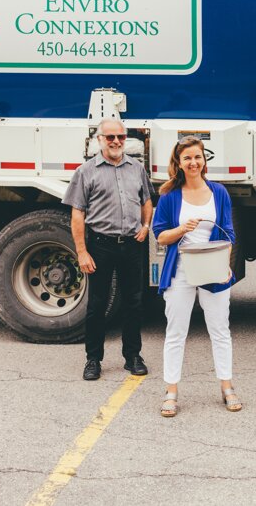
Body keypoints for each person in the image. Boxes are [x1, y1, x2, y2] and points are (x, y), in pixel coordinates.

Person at [152, 136, 241, 416]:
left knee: (220, 330)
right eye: (187, 158)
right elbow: (160, 236)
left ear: (205, 161)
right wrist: (182, 229)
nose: (193, 162)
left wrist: (226, 265)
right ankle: (171, 391)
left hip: (213, 269)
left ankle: (227, 387)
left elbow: (229, 232)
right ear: (178, 163)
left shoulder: (219, 192)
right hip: (180, 270)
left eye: (198, 157)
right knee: (176, 332)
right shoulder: (169, 196)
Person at [63, 118, 153, 381]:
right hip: (100, 245)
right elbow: (77, 214)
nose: (116, 142)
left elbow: (146, 199)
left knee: (134, 303)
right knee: (97, 305)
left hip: (132, 244)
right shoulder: (86, 172)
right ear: (99, 139)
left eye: (121, 137)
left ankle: (133, 356)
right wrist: (82, 251)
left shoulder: (136, 168)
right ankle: (93, 360)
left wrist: (145, 226)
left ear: (126, 139)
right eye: (110, 137)